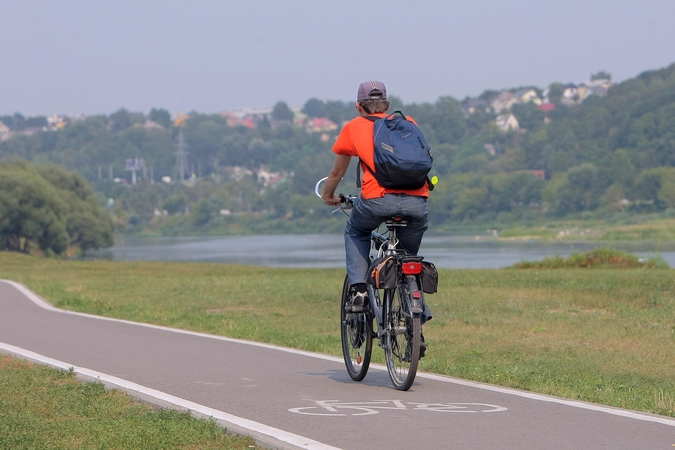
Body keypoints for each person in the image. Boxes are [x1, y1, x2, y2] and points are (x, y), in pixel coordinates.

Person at [321, 80, 431, 356]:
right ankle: (415, 312)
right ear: (388, 105)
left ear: (359, 106)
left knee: (356, 232)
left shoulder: (354, 127)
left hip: (375, 201)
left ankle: (358, 291)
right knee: (407, 258)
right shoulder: (409, 122)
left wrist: (329, 194)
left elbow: (336, 173)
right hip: (418, 203)